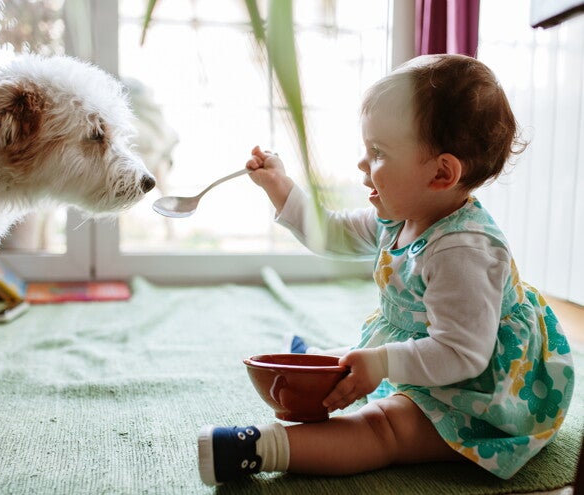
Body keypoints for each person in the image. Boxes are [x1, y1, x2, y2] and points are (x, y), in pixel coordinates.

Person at [197, 54, 575, 486]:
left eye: (378, 152)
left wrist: (381, 363)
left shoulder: (464, 250)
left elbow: (462, 354)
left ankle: (258, 449)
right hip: (431, 359)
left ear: (441, 173)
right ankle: (328, 362)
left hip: (483, 395)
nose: (362, 164)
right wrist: (281, 188)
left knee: (384, 428)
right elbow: (333, 233)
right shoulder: (400, 216)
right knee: (353, 369)